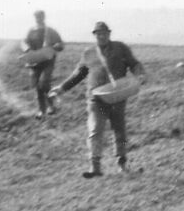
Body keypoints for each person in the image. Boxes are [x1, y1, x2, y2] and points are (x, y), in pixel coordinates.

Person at [49, 21, 145, 178]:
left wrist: (139, 75)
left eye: (104, 33)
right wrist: (61, 88)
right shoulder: (88, 53)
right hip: (96, 98)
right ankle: (95, 167)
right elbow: (78, 74)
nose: (101, 36)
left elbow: (134, 64)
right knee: (95, 130)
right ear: (94, 35)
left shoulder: (120, 48)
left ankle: (122, 164)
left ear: (109, 34)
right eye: (98, 33)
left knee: (119, 130)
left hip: (117, 96)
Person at [22, 10, 65, 118]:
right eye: (36, 17)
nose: (38, 19)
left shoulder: (50, 31)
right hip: (35, 61)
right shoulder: (31, 31)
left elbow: (61, 44)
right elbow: (24, 42)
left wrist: (56, 46)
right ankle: (41, 110)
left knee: (44, 83)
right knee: (38, 87)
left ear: (44, 17)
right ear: (34, 18)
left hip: (48, 61)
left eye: (40, 16)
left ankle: (51, 106)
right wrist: (26, 49)